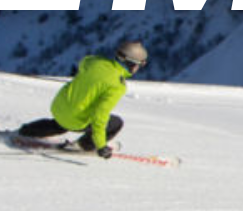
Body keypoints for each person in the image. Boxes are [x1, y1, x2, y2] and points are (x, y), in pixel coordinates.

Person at [17, 40, 149, 158]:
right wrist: (101, 145)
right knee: (116, 123)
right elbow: (100, 115)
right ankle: (83, 146)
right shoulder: (118, 85)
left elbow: (84, 62)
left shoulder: (96, 62)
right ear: (132, 64)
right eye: (139, 65)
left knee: (59, 125)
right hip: (76, 120)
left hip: (59, 107)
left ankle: (25, 131)